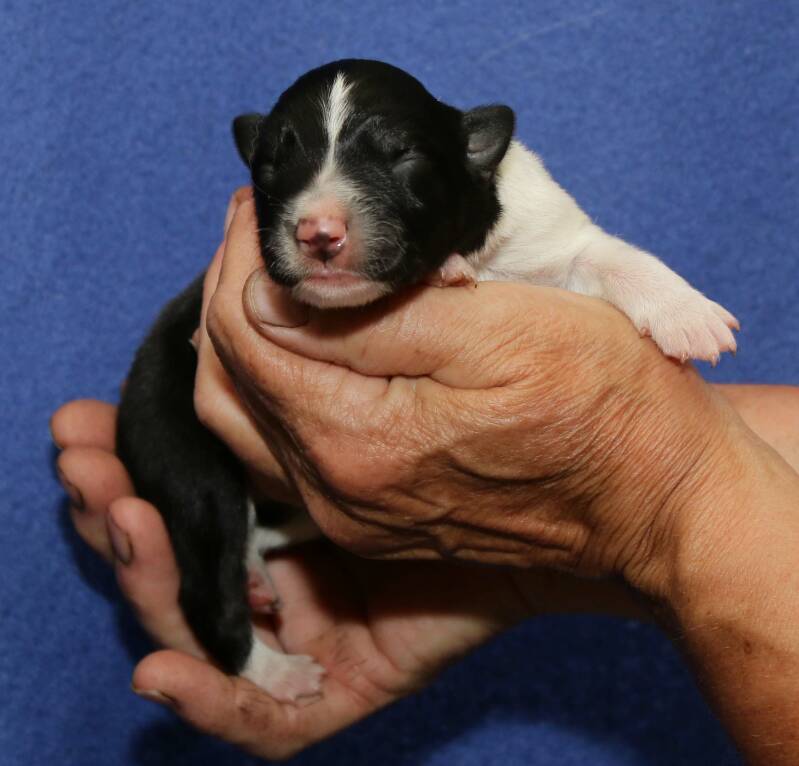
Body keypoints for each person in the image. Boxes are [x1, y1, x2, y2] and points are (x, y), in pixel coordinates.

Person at [52, 189, 799, 764]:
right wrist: (622, 495)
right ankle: (241, 595)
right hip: (218, 462)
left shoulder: (511, 219)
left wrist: (666, 491)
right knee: (206, 521)